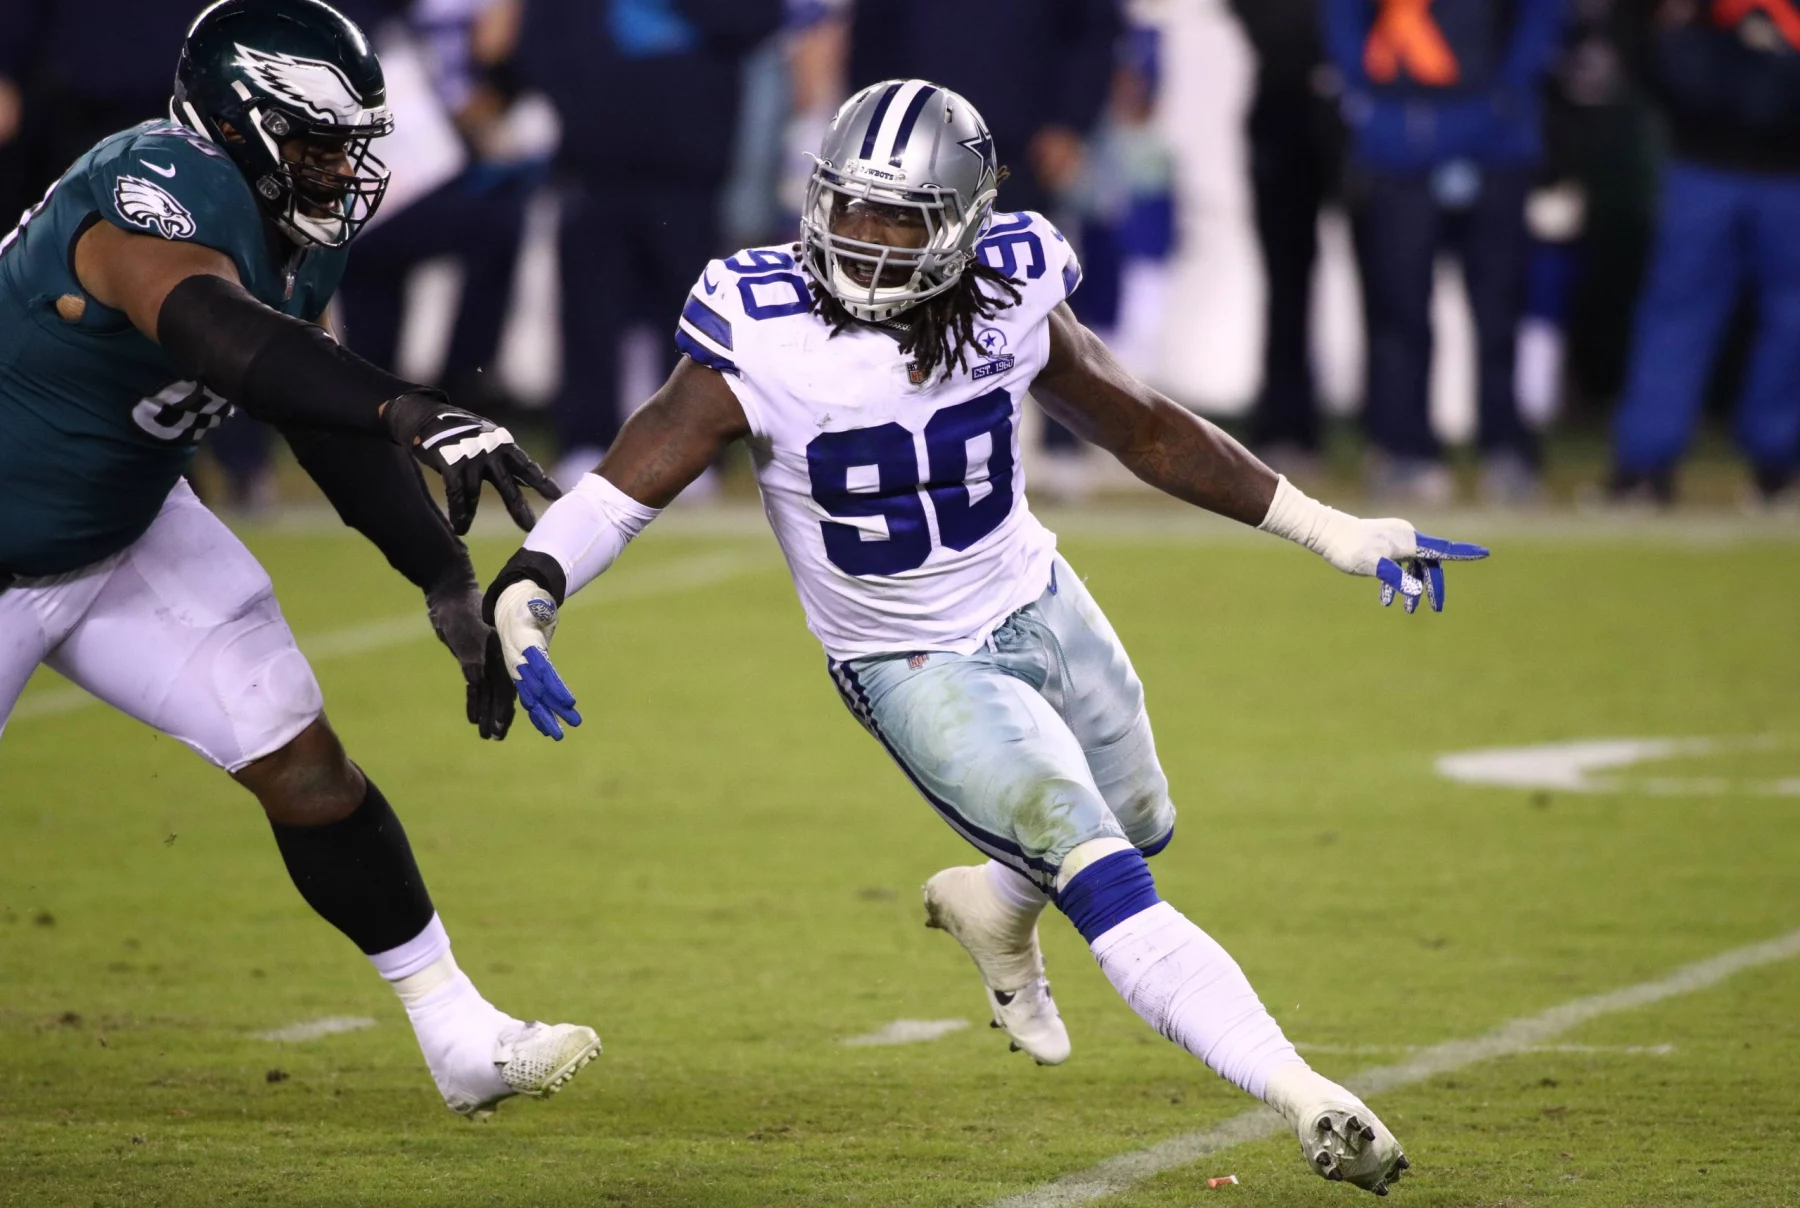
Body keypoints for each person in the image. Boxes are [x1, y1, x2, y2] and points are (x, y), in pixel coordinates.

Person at [483, 80, 1490, 1192]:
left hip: (1039, 594)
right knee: (1100, 865)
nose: (862, 242)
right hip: (909, 660)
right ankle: (1306, 1092)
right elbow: (635, 474)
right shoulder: (758, 323)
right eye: (847, 209)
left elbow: (1144, 429)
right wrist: (532, 580)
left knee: (1144, 819)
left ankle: (992, 904)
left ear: (963, 221)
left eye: (898, 218)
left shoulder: (1010, 285)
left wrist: (1332, 530)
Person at [0, 0, 593, 1118]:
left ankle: (458, 1034)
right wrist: (410, 406)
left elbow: (309, 407)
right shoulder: (148, 188)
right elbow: (220, 336)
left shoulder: (290, 225)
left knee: (303, 758)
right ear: (239, 124)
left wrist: (440, 574)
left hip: (112, 525)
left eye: (350, 143)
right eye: (318, 142)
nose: (342, 169)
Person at [513, 0, 784, 486]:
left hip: (690, 172)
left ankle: (695, 451)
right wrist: (582, 104)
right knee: (588, 315)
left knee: (694, 318)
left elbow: (756, 20)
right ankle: (586, 443)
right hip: (593, 169)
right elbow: (537, 47)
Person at [1324, 0, 1565, 502]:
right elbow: (1342, 19)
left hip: (1493, 140)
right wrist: (1372, 100)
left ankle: (1506, 447)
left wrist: (1504, 98)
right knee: (1400, 309)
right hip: (1399, 141)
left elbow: (1541, 19)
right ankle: (1405, 450)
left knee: (1498, 309)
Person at [1609, 0, 1800, 503]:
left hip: (1790, 171)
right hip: (1703, 162)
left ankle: (1777, 462)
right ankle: (1646, 463)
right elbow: (1644, 40)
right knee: (1677, 314)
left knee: (1793, 319)